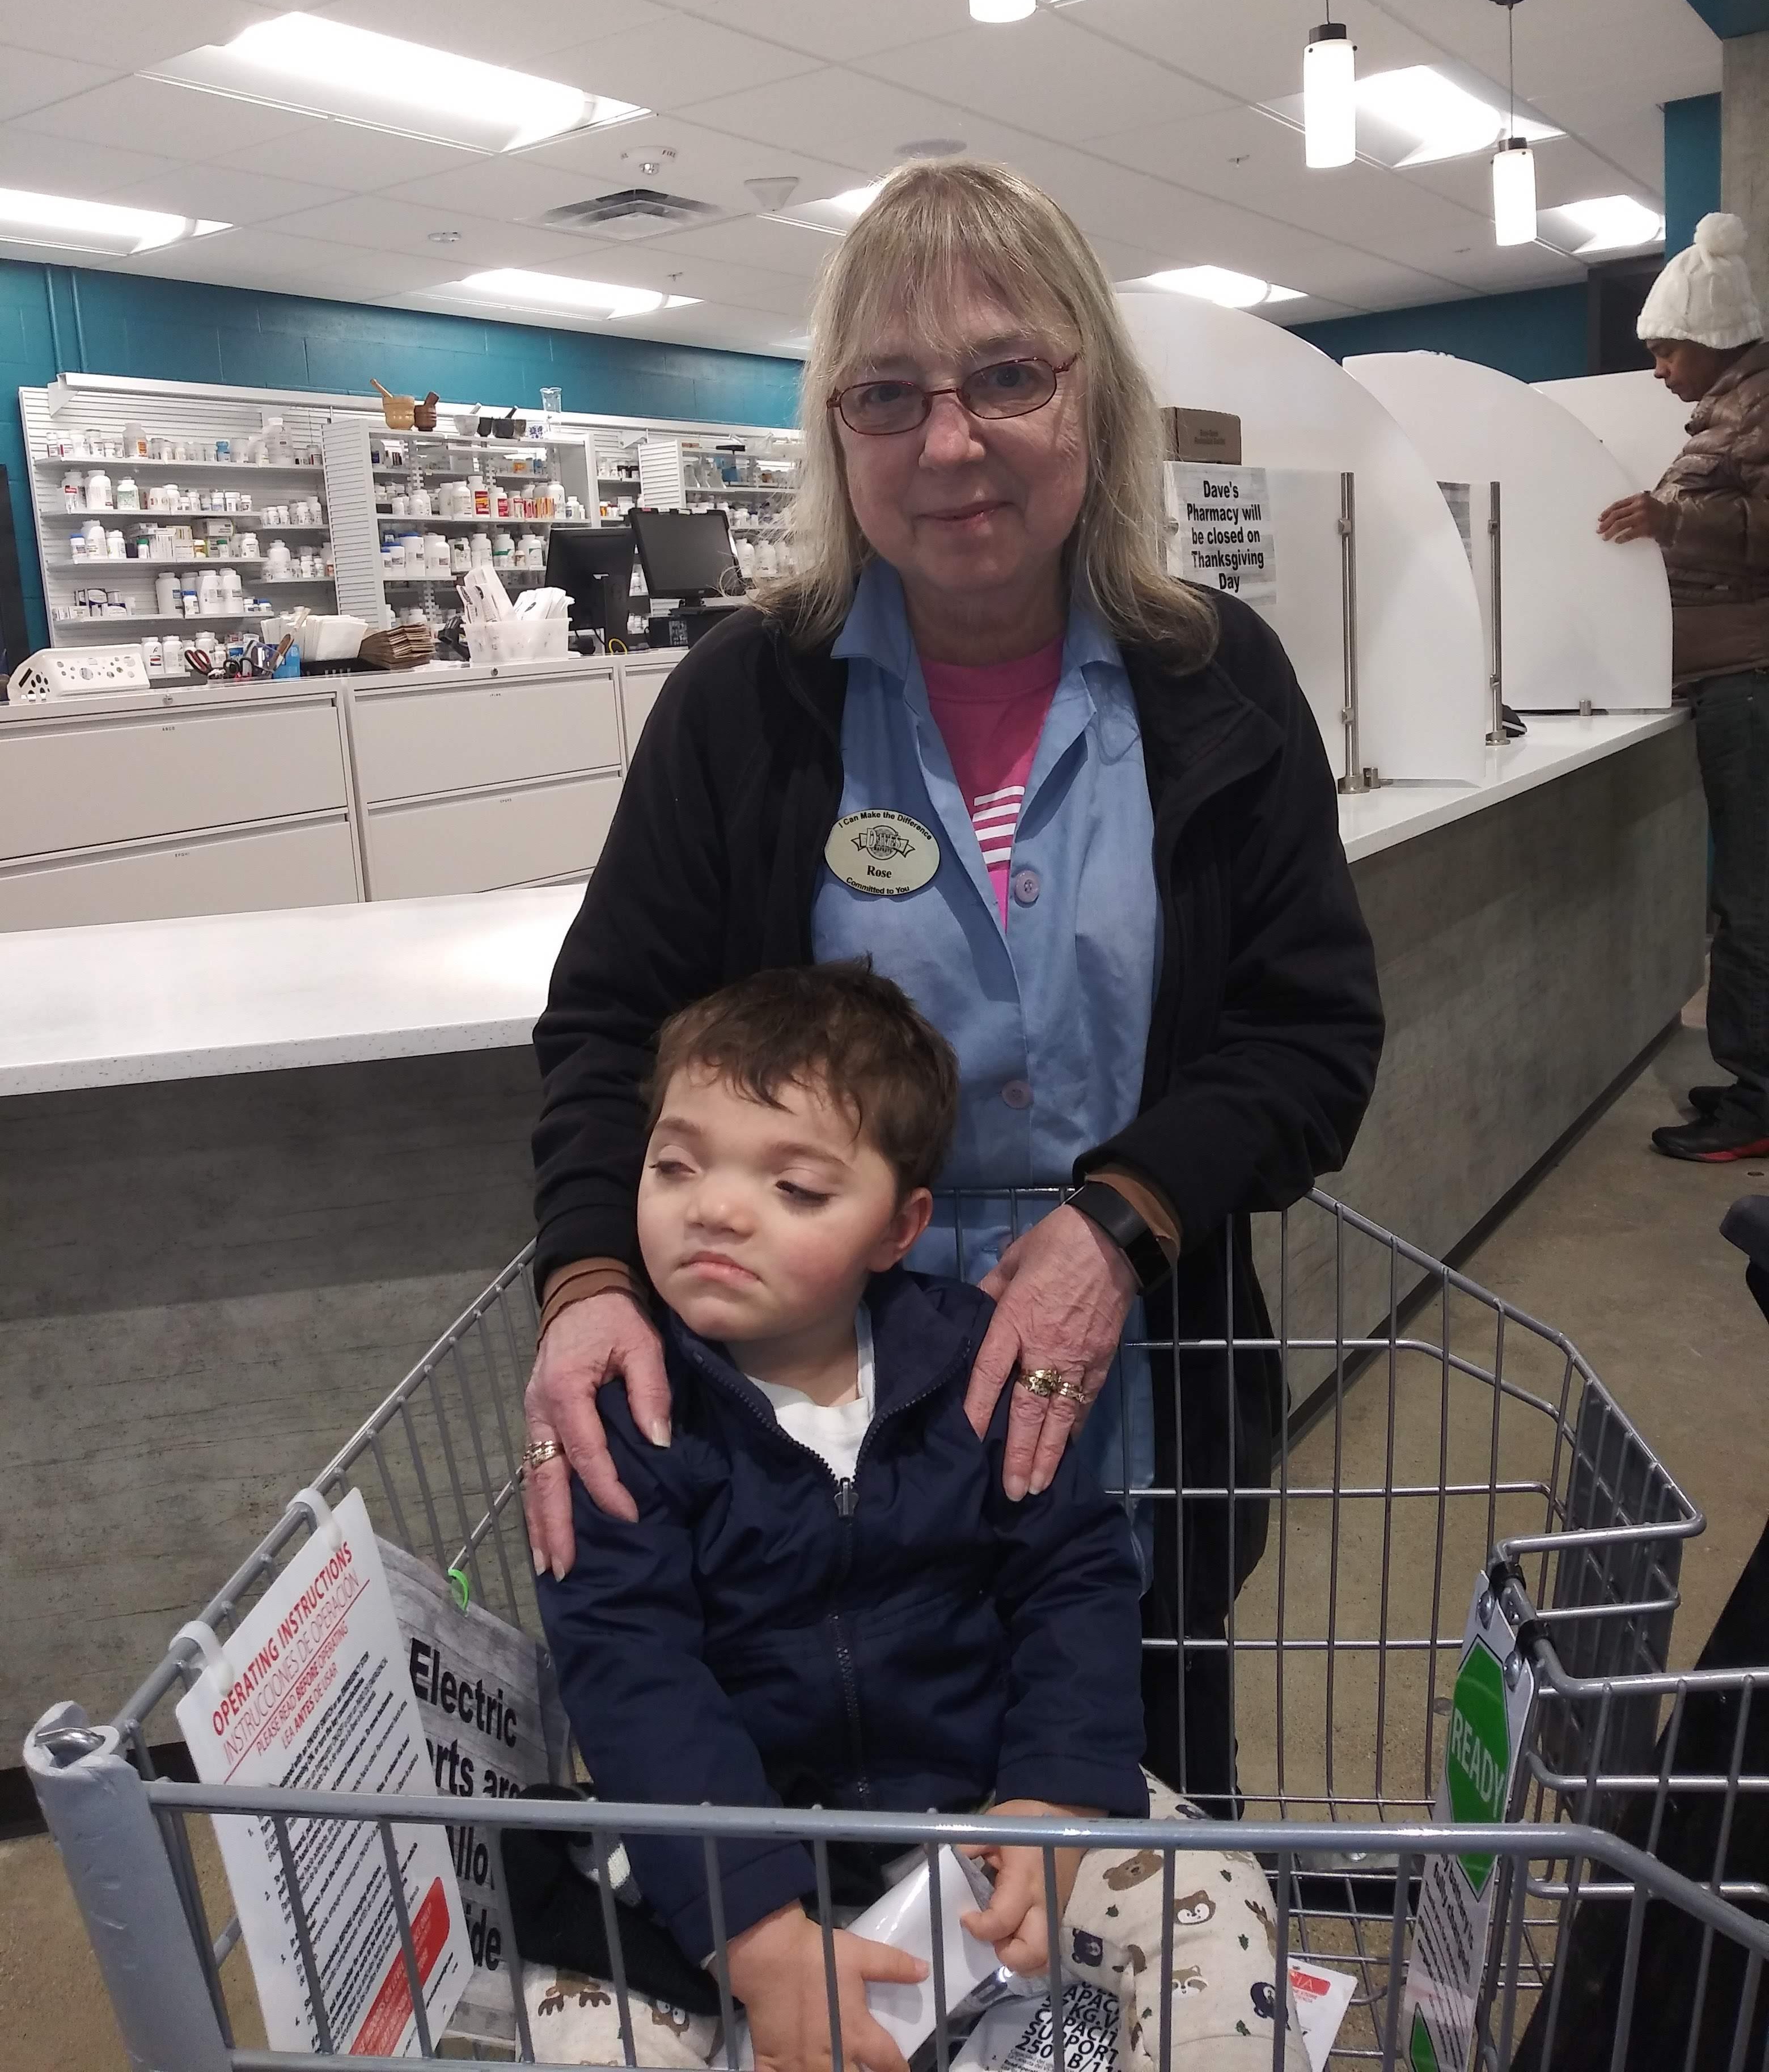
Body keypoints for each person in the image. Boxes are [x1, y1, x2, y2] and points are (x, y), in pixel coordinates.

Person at [526, 158, 1385, 1808]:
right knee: (846, 1897)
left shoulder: (1218, 680)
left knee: (1115, 1879)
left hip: (1140, 1409)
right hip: (802, 1466)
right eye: (888, 395)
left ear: (1093, 400)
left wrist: (1119, 1219)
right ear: (837, 439)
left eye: (1006, 376)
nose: (950, 441)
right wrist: (585, 1281)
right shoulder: (742, 701)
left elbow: (1311, 1035)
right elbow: (610, 1026)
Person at [535, 961, 1306, 2072]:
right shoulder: (629, 1414)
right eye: (675, 1164)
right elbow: (628, 1673)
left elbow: (1074, 1580)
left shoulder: (973, 1372)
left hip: (982, 1800)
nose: (715, 1204)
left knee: (1219, 1895)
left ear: (899, 1228)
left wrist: (1054, 1795)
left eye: (794, 1188)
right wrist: (751, 1929)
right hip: (724, 1838)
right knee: (579, 2022)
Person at [1598, 210, 1769, 1162]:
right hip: (1729, 681)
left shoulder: (1763, 404)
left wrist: (1671, 524)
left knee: (1753, 902)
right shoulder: (1733, 413)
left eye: (1666, 350)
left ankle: (1759, 1105)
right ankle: (1751, 1082)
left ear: (1707, 341)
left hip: (1749, 680)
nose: (1661, 370)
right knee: (1747, 900)